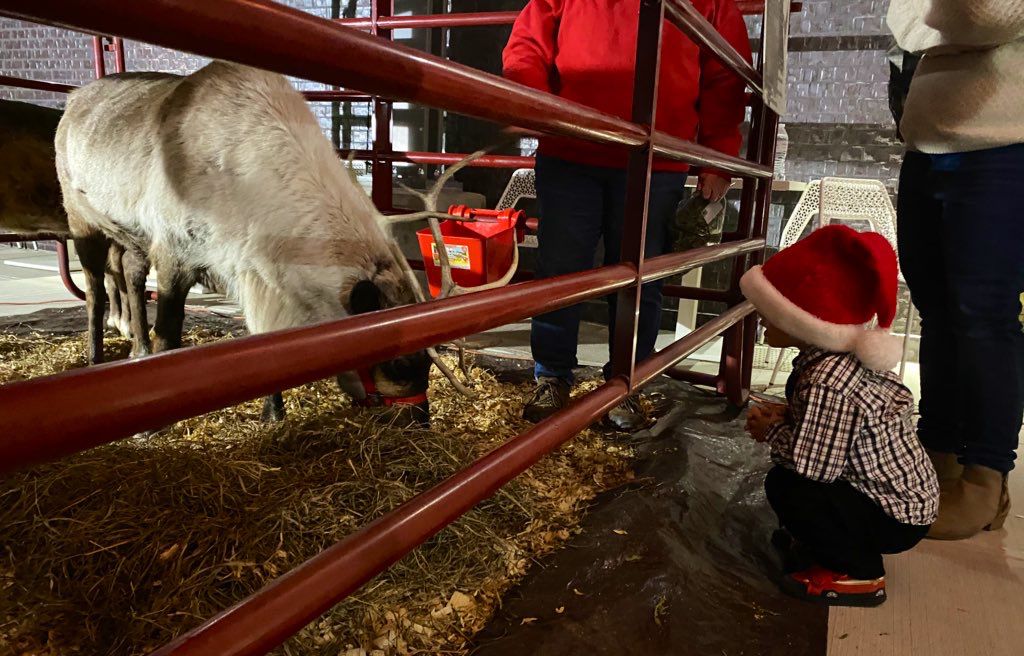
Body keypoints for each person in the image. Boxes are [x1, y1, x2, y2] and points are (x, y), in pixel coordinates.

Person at [502, 0, 752, 430]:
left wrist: (717, 160)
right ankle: (552, 376)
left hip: (655, 156)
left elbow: (724, 77)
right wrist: (530, 103)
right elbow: (528, 44)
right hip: (573, 147)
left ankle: (626, 383)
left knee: (641, 277)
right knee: (561, 271)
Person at [742, 225, 939, 606]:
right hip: (897, 502)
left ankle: (859, 571)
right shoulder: (829, 363)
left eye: (770, 310)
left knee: (788, 486)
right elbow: (837, 430)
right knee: (792, 486)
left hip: (894, 516)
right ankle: (827, 542)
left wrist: (771, 431)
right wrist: (787, 414)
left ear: (802, 318)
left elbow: (813, 467)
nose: (763, 320)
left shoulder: (827, 381)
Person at [888, 1, 1024, 539]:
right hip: (925, 141)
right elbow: (902, 23)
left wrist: (941, 32)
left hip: (1004, 145)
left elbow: (989, 16)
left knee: (983, 315)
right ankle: (938, 451)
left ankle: (985, 477)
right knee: (937, 311)